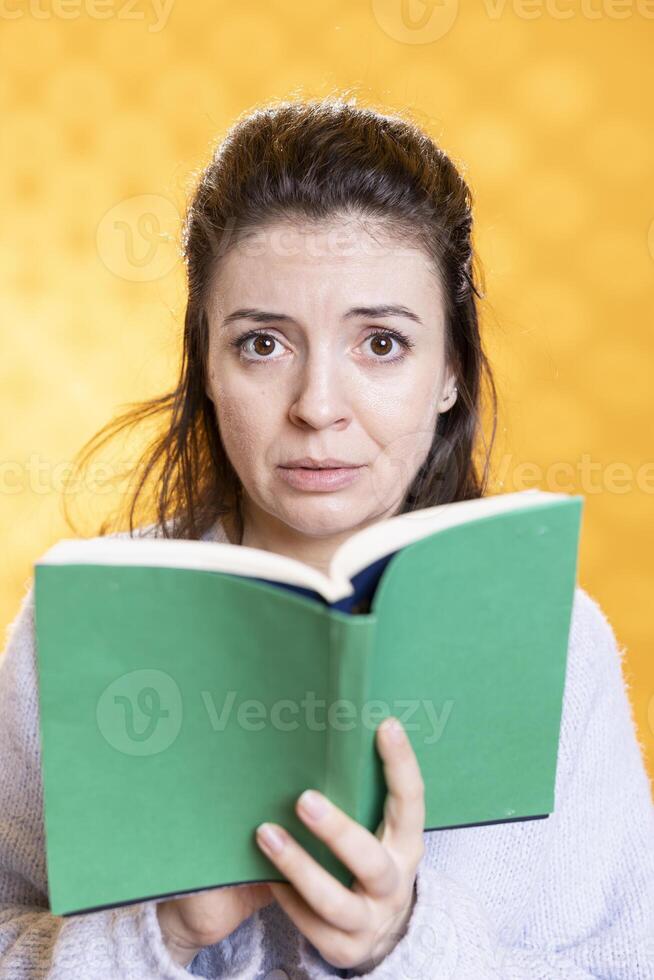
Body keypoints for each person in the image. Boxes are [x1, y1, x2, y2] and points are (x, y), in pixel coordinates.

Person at [1, 96, 653, 979]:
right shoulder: (81, 627)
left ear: (451, 372)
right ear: (206, 365)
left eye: (381, 343)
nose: (316, 407)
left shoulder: (558, 641)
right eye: (263, 344)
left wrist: (400, 947)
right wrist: (160, 933)